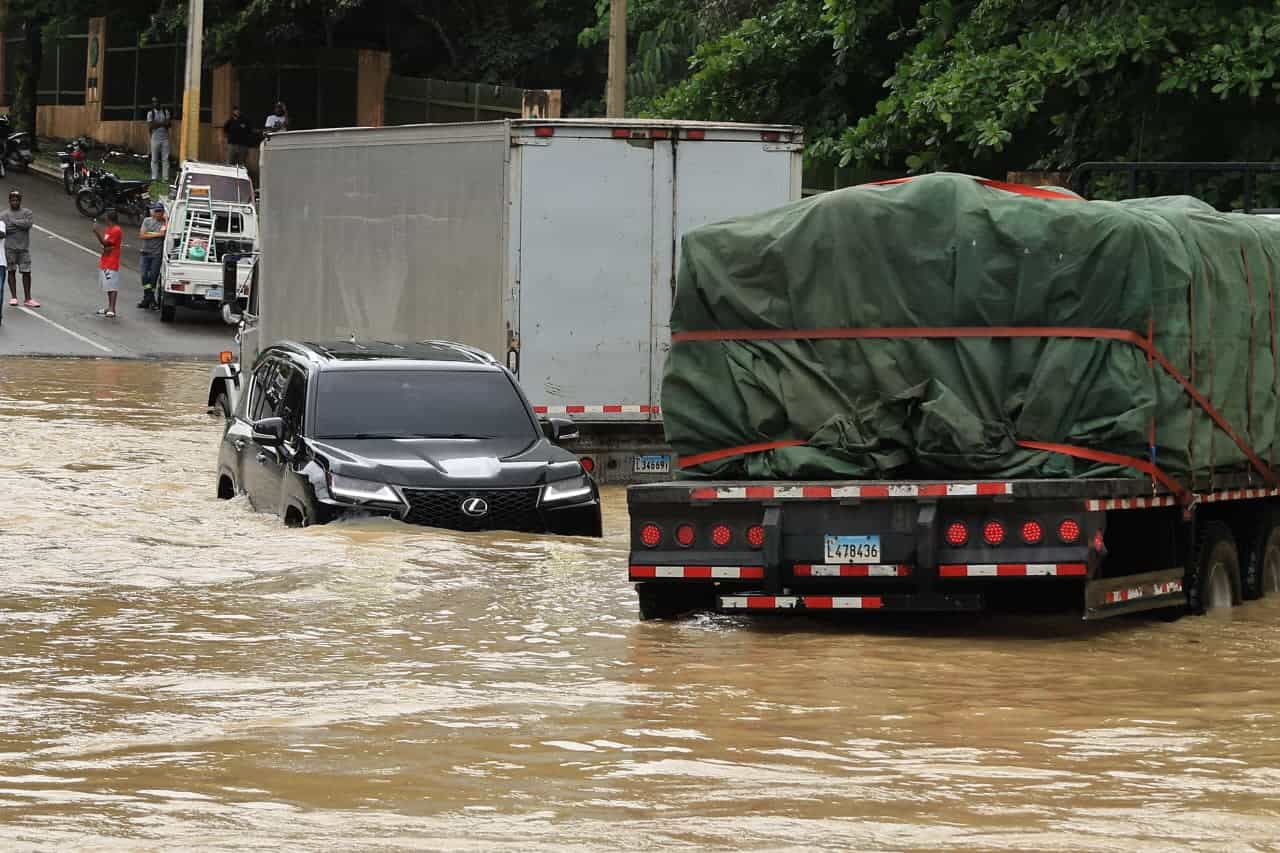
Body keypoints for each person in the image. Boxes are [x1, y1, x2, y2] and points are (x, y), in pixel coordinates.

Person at [1, 189, 36, 308]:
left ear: (20, 201)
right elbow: (5, 230)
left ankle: (28, 298)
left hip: (24, 248)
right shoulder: (4, 215)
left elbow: (28, 224)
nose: (14, 202)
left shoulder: (27, 212)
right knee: (11, 271)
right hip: (10, 248)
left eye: (17, 200)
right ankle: (14, 297)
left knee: (26, 272)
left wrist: (14, 222)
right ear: (9, 201)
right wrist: (20, 225)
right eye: (12, 200)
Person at [92, 210, 124, 319]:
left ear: (109, 219)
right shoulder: (109, 230)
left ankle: (112, 308)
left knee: (112, 285)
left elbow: (106, 243)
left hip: (112, 261)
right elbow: (107, 246)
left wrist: (96, 232)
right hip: (105, 259)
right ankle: (109, 307)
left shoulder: (116, 230)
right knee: (107, 284)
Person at [138, 203, 167, 310]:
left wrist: (150, 234)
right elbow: (142, 235)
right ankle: (150, 299)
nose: (158, 213)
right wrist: (156, 234)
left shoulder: (164, 223)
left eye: (160, 211)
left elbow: (163, 234)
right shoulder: (147, 221)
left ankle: (147, 299)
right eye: (157, 211)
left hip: (156, 255)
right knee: (144, 276)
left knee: (153, 278)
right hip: (145, 253)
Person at [147, 96, 172, 182]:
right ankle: (154, 177)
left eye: (157, 102)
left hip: (165, 138)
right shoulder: (150, 113)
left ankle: (165, 178)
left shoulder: (165, 112)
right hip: (155, 138)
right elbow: (151, 125)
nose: (155, 103)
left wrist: (157, 123)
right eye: (153, 102)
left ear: (160, 102)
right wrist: (162, 123)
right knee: (154, 159)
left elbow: (168, 124)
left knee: (165, 159)